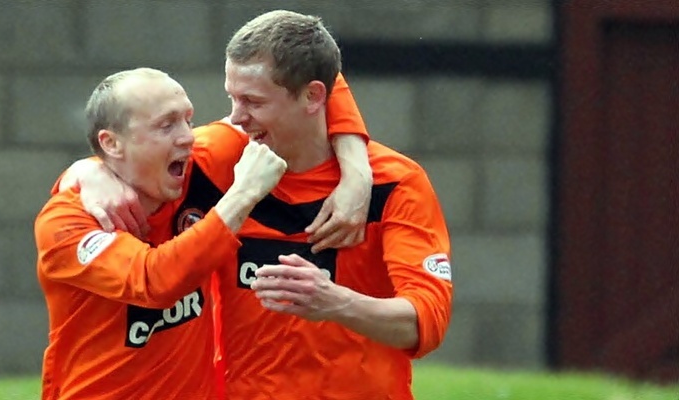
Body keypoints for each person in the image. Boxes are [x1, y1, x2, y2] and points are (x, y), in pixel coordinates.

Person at [71, 10, 454, 400]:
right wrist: (90, 170)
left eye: (252, 101)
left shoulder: (393, 183)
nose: (236, 117)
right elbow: (133, 157)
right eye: (232, 98)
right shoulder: (220, 159)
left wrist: (335, 302)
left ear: (313, 97)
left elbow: (427, 322)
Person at [33, 68, 290, 399]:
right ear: (111, 143)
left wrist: (354, 163)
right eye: (166, 125)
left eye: (188, 120)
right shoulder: (68, 221)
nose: (187, 137)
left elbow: (302, 77)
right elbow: (154, 281)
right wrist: (242, 195)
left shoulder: (201, 163)